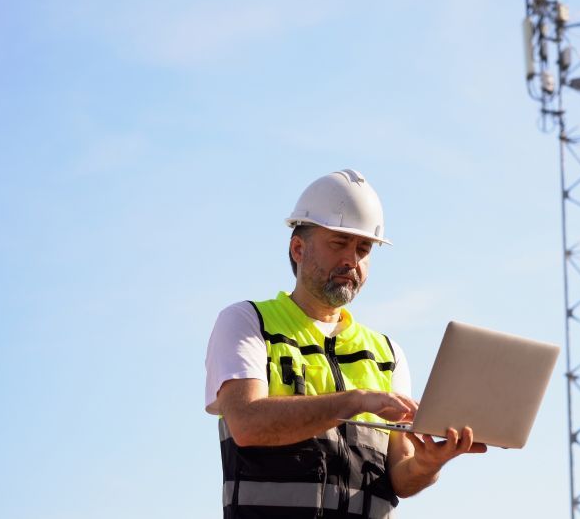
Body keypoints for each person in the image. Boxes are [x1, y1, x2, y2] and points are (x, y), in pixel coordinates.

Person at [204, 169, 486, 519]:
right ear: (298, 248)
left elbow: (401, 476)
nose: (352, 260)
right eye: (339, 243)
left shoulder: (386, 354)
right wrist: (356, 400)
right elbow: (247, 424)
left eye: (363, 249)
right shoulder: (248, 322)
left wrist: (428, 465)